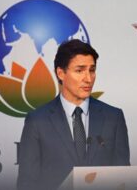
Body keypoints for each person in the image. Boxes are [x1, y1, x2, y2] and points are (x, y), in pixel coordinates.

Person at [17, 39, 130, 190]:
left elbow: (123, 178)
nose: (88, 79)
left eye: (92, 70)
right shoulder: (37, 121)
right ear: (61, 73)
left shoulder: (113, 117)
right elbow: (27, 183)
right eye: (79, 70)